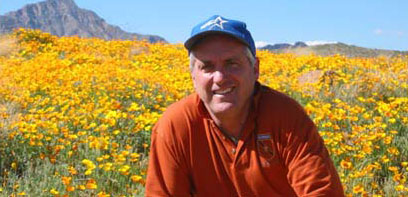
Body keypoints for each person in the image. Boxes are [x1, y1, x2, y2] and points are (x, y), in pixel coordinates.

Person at [145, 15, 344, 196]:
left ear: (255, 69)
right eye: (207, 66)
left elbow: (321, 191)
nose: (220, 78)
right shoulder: (175, 126)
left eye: (232, 63)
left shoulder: (286, 117)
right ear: (193, 76)